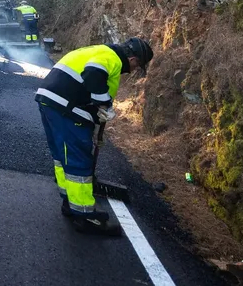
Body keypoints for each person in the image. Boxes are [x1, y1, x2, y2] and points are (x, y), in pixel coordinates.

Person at [36, 37, 154, 234]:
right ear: (133, 59)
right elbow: (93, 73)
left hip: (51, 102)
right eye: (137, 65)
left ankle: (70, 203)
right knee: (78, 159)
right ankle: (85, 217)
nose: (133, 70)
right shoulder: (113, 58)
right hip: (67, 108)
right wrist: (104, 104)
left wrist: (96, 116)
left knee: (62, 156)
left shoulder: (101, 50)